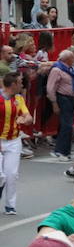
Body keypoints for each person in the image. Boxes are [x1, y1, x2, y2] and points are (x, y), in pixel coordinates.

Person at [0, 72, 33, 216]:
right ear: (13, 85)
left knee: (12, 174)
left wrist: (25, 119)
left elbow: (28, 116)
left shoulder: (19, 99)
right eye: (20, 82)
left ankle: (10, 205)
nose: (22, 85)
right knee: (1, 176)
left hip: (13, 141)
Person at [46, 49, 74, 162]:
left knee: (67, 126)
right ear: (67, 59)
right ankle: (61, 151)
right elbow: (50, 88)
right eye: (72, 58)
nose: (73, 60)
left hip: (71, 99)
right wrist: (54, 103)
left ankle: (65, 151)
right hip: (62, 98)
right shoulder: (57, 70)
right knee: (67, 126)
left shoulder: (71, 69)